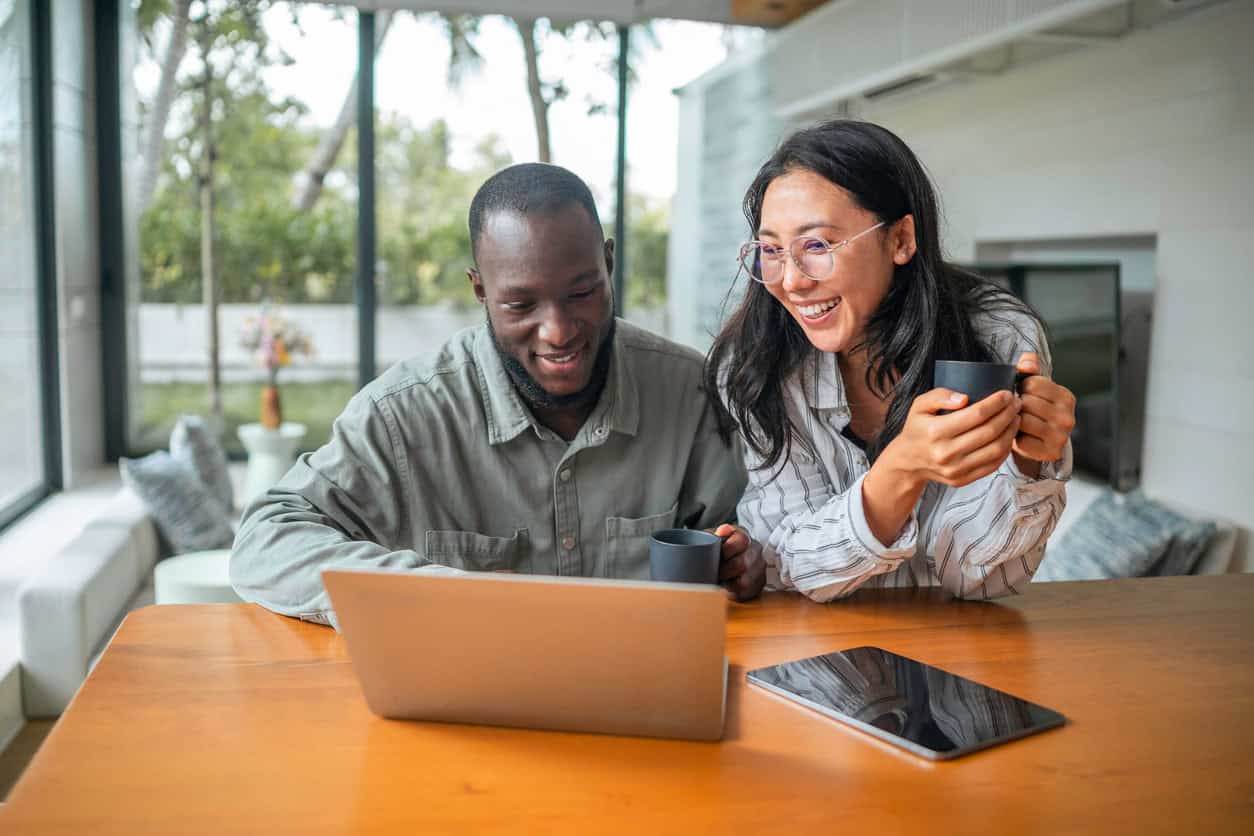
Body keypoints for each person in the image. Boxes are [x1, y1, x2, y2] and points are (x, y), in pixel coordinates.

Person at [231, 163, 764, 627]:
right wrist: (440, 591)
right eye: (519, 305)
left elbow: (750, 534)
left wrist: (748, 560)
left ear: (608, 263)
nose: (558, 331)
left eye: (582, 293)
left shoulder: (690, 390)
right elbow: (264, 543)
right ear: (480, 289)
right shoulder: (404, 415)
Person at [704, 120, 1075, 602]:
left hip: (956, 650)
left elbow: (980, 579)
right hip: (808, 648)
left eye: (816, 245)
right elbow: (790, 562)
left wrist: (1028, 463)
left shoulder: (997, 338)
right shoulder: (759, 362)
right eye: (772, 250)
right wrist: (901, 469)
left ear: (900, 239)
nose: (791, 281)